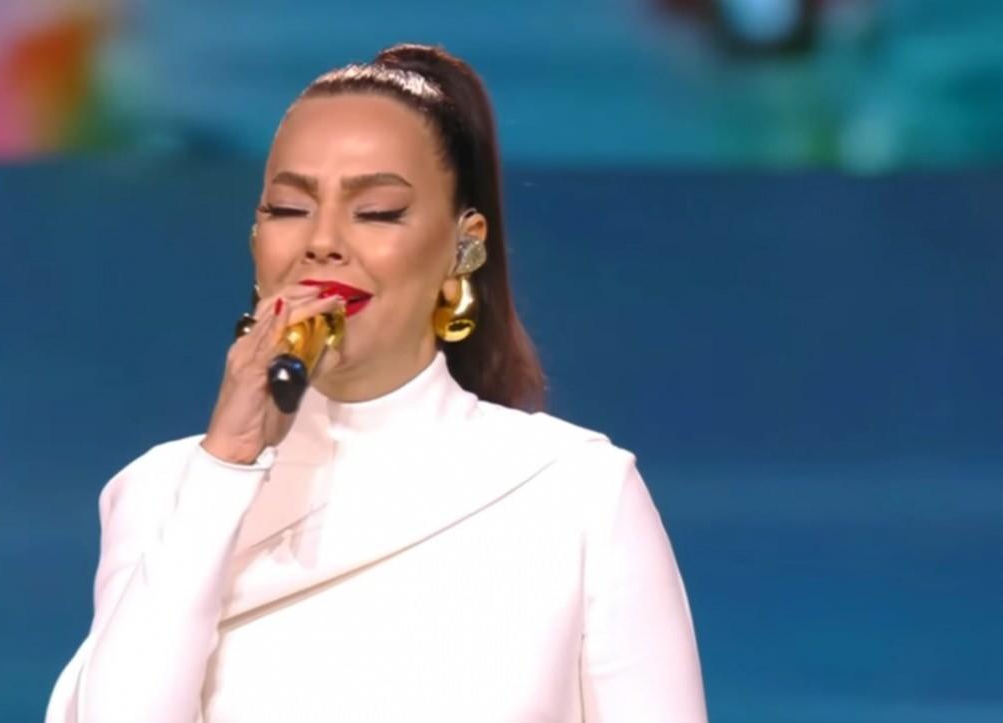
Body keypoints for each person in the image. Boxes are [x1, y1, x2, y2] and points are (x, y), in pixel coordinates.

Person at [45, 43, 707, 723]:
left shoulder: (576, 491)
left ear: (464, 246)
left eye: (378, 211)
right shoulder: (166, 491)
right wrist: (226, 466)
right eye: (288, 208)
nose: (322, 241)